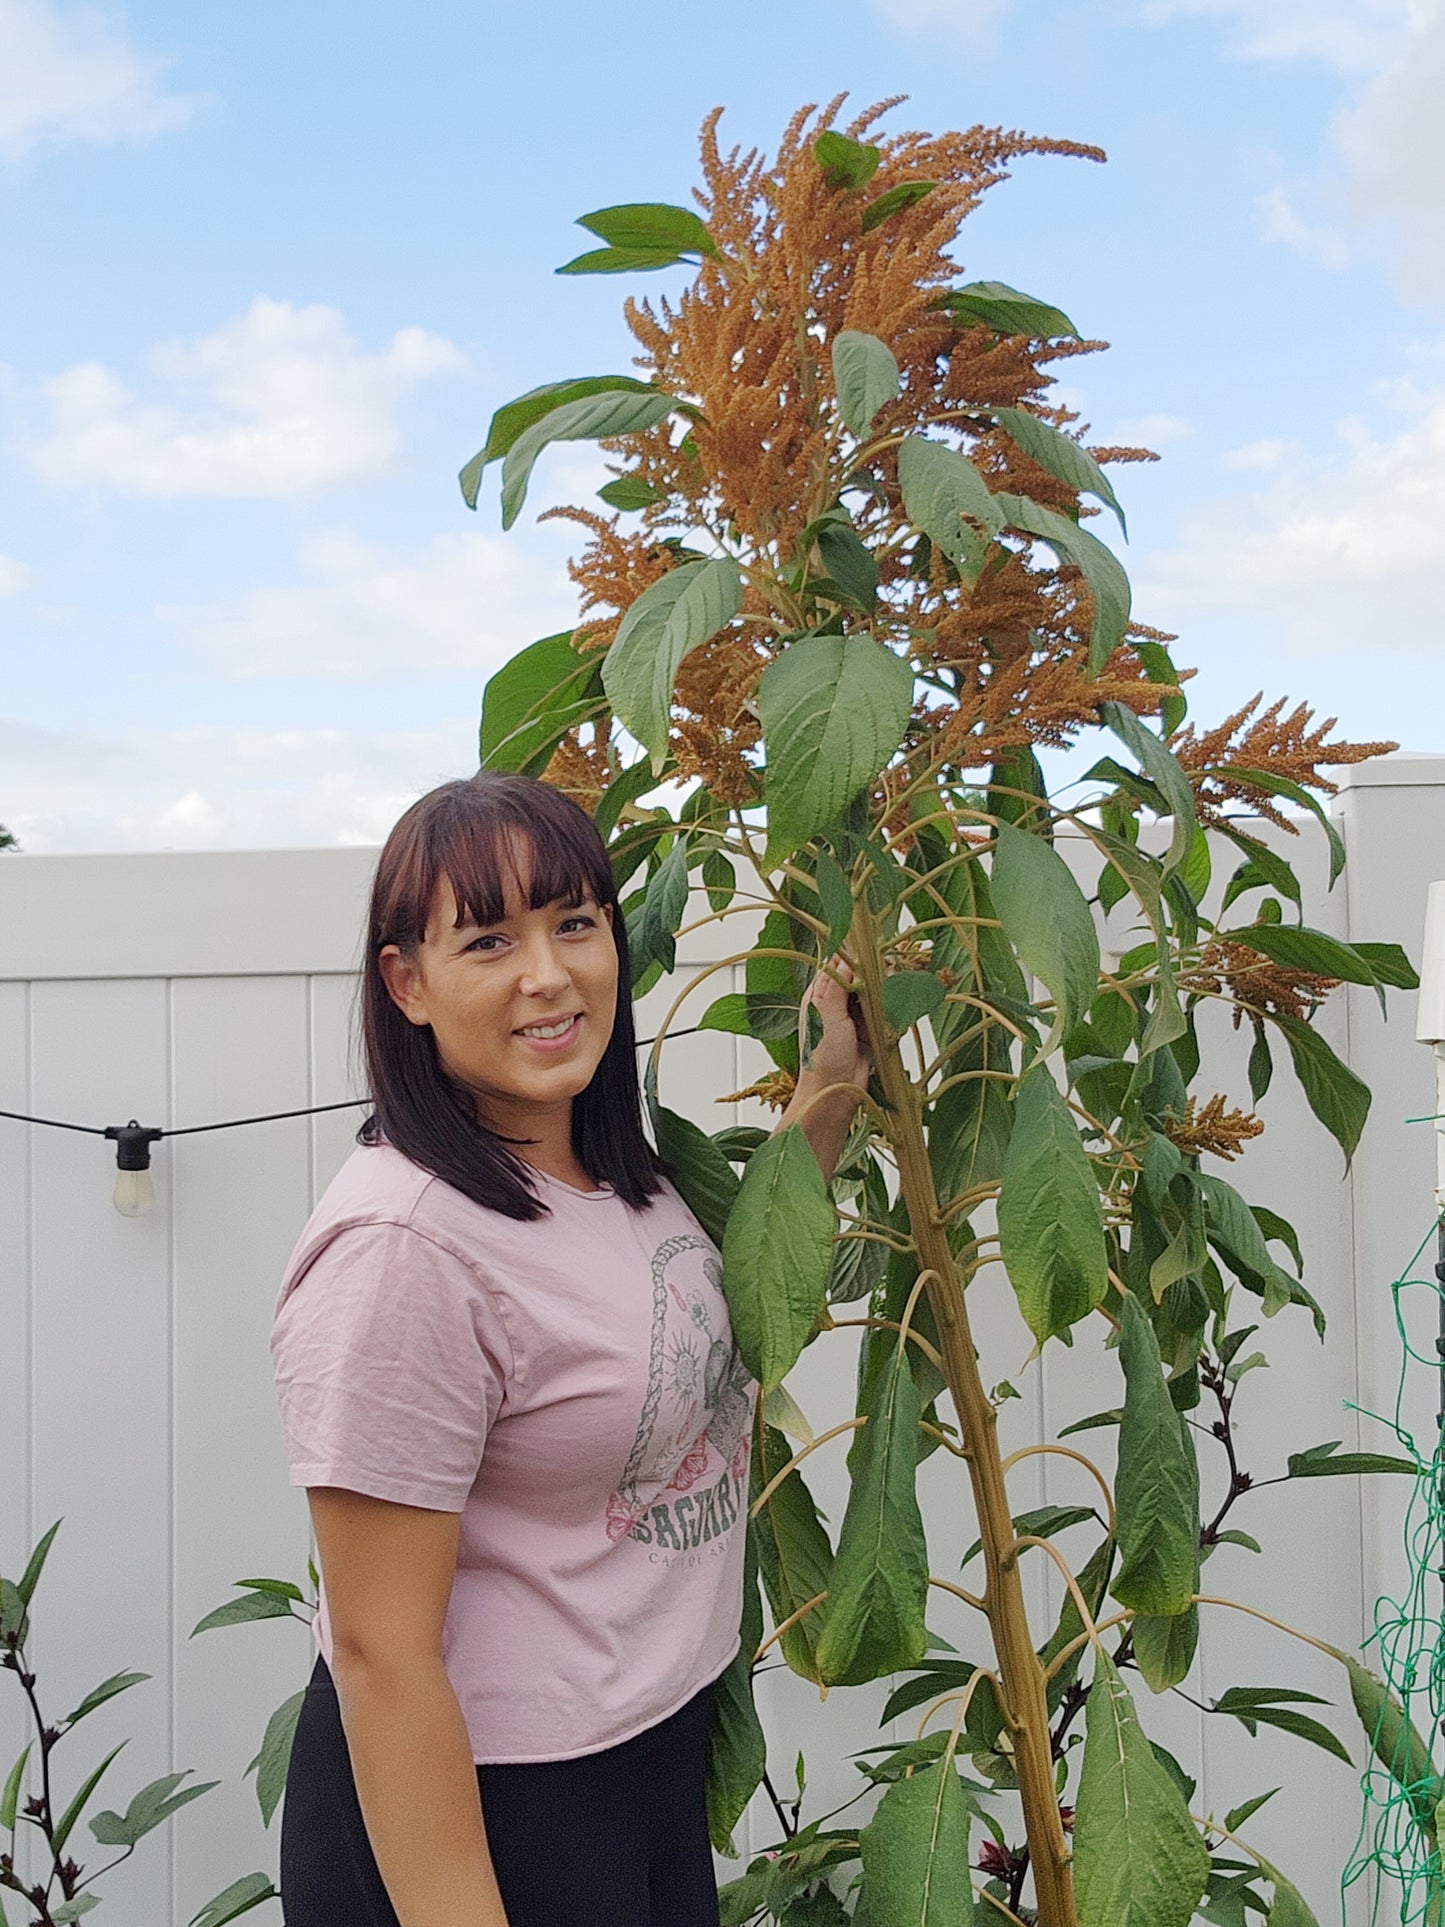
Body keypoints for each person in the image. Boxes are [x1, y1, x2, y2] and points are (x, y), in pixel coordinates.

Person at [269, 770, 871, 1927]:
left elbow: (712, 1312)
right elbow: (379, 1654)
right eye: (488, 939)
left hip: (637, 1764)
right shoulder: (403, 1249)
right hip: (482, 1813)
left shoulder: (614, 1176)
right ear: (407, 981)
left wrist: (832, 1086)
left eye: (575, 923)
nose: (547, 974)